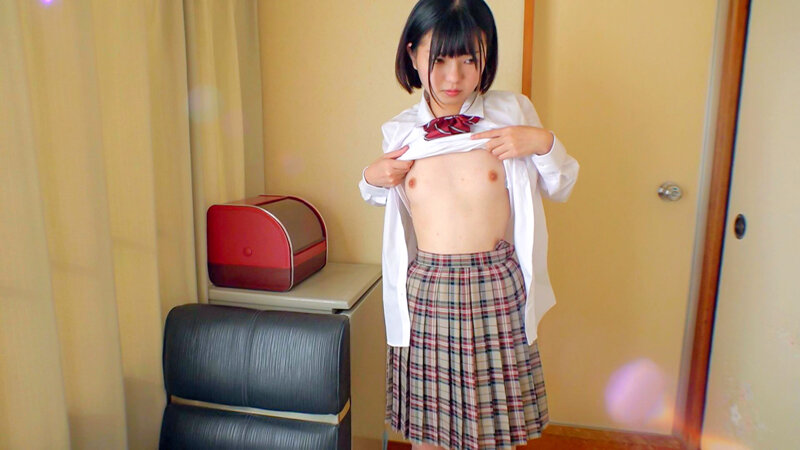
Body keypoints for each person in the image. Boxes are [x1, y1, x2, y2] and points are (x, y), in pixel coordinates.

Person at [358, 1, 579, 448]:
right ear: (412, 55)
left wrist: (543, 142)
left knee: (494, 429)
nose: (453, 77)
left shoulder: (512, 112)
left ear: (486, 56)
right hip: (427, 287)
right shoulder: (400, 131)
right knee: (430, 429)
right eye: (438, 59)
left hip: (495, 282)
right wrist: (369, 176)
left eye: (468, 59)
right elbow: (386, 197)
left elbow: (561, 185)